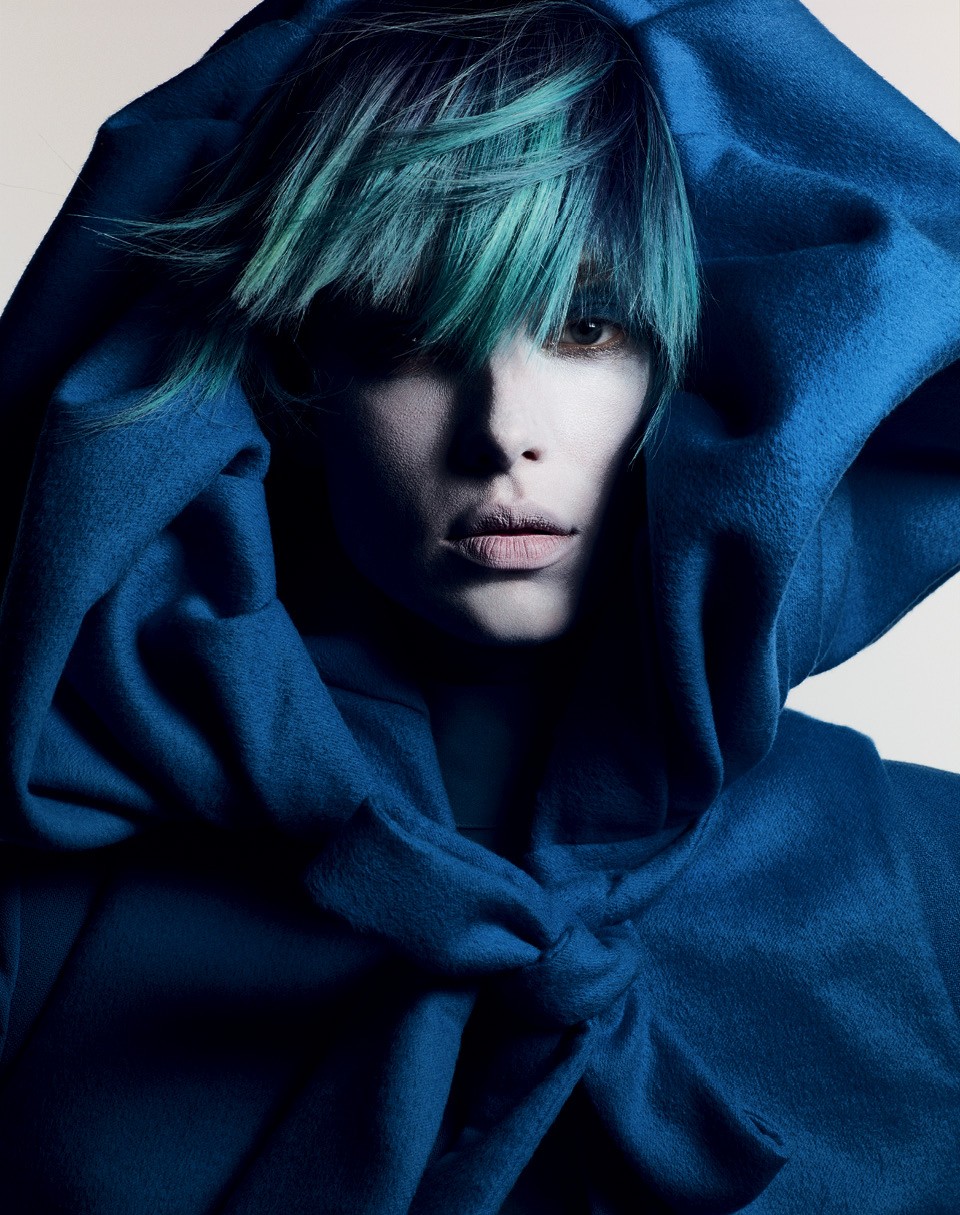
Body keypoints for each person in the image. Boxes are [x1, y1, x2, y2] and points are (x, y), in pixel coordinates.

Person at [0, 0, 958, 1211]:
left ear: (693, 368)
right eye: (413, 335)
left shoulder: (933, 876)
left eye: (587, 327)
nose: (505, 431)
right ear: (297, 380)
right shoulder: (47, 911)